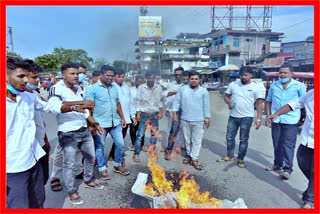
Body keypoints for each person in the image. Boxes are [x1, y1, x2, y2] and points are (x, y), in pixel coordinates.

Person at [6, 57, 93, 208]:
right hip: (13, 168)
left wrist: (74, 107)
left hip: (33, 159)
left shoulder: (27, 97)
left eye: (27, 76)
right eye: (21, 76)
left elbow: (50, 107)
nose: (26, 80)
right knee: (19, 205)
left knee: (38, 200)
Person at [48, 62, 104, 205]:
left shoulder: (78, 88)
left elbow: (85, 112)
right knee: (69, 164)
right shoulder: (56, 88)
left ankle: (88, 179)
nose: (76, 76)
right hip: (68, 133)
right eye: (72, 73)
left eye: (77, 73)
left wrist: (95, 124)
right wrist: (79, 104)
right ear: (63, 75)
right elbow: (54, 107)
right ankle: (72, 191)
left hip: (83, 130)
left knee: (90, 158)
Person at [267, 89, 314, 208]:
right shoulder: (311, 94)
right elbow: (294, 104)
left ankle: (309, 199)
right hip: (307, 139)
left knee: (315, 170)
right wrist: (277, 113)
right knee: (301, 160)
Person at [85, 65, 130, 178]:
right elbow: (88, 108)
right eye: (108, 75)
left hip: (115, 122)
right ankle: (102, 168)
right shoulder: (92, 89)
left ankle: (117, 165)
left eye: (112, 75)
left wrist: (123, 118)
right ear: (101, 75)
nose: (110, 78)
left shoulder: (114, 87)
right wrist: (91, 125)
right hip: (100, 124)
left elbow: (117, 103)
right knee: (100, 146)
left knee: (120, 144)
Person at [217, 66, 265, 168]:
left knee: (243, 140)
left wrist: (259, 119)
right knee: (229, 137)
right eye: (241, 75)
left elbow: (259, 104)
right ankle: (229, 155)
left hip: (247, 118)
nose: (243, 77)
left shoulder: (256, 87)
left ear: (251, 75)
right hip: (233, 116)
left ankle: (240, 158)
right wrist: (229, 103)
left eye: (246, 75)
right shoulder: (233, 84)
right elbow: (226, 96)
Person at [265, 63, 306, 180]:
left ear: (291, 74)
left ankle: (287, 169)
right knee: (277, 143)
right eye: (281, 72)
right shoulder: (274, 85)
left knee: (288, 145)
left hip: (291, 120)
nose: (282, 75)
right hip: (276, 120)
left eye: (285, 73)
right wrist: (268, 116)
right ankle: (277, 164)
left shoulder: (299, 86)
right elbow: (268, 101)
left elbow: (303, 102)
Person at [172, 71, 210, 170]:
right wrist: (175, 114)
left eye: (196, 79)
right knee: (187, 140)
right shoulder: (183, 90)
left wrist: (207, 118)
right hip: (185, 119)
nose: (194, 81)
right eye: (192, 79)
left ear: (199, 80)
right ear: (188, 79)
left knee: (197, 140)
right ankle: (189, 156)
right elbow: (176, 102)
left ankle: (195, 159)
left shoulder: (203, 91)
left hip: (199, 120)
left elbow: (206, 106)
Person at [24, 60, 51, 186]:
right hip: (28, 149)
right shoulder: (17, 98)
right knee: (32, 184)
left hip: (41, 144)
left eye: (37, 77)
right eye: (33, 77)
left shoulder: (33, 94)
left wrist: (45, 140)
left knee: (43, 179)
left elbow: (41, 121)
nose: (37, 81)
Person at [133, 71, 163, 162]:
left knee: (154, 135)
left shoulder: (159, 88)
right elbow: (137, 101)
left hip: (154, 115)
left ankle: (152, 152)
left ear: (155, 78)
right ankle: (136, 154)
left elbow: (160, 101)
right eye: (149, 78)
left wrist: (160, 112)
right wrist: (138, 113)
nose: (151, 79)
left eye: (152, 78)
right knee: (140, 135)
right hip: (143, 114)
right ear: (146, 78)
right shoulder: (141, 88)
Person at [108, 68, 137, 162]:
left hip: (127, 118)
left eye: (122, 77)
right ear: (114, 77)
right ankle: (115, 155)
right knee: (118, 139)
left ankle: (113, 153)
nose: (121, 78)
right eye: (119, 77)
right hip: (116, 118)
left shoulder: (126, 87)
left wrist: (133, 116)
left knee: (121, 137)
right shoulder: (111, 87)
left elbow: (131, 103)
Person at [163, 69, 190, 160]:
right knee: (173, 131)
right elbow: (170, 98)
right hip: (177, 112)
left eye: (187, 79)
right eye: (184, 79)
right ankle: (169, 151)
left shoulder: (194, 88)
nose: (185, 81)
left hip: (189, 114)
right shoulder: (178, 87)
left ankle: (188, 152)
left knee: (187, 132)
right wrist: (172, 111)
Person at [129, 75, 146, 152]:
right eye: (138, 81)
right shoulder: (131, 90)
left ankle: (142, 145)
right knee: (133, 129)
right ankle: (134, 144)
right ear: (135, 81)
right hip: (133, 112)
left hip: (142, 112)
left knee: (142, 129)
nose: (139, 83)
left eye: (141, 82)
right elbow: (129, 102)